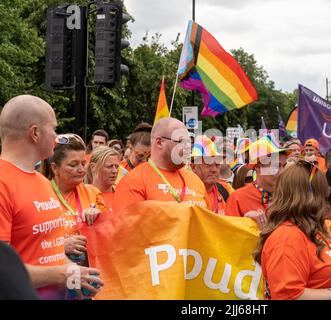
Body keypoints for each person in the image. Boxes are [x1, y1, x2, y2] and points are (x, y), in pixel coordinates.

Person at [0, 95, 103, 299]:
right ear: (35, 133)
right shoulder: (3, 182)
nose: (56, 138)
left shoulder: (42, 182)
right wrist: (62, 274)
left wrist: (75, 276)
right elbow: (4, 270)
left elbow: (50, 251)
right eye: (53, 129)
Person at [254, 159, 331, 300]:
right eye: (323, 190)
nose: (326, 196)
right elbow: (287, 295)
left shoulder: (311, 227)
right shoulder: (287, 237)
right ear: (310, 196)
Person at [41, 133, 109, 267]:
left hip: (89, 274)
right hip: (53, 275)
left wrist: (100, 220)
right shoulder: (39, 194)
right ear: (55, 168)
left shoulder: (92, 193)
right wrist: (62, 246)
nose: (81, 170)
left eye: (83, 163)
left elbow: (112, 234)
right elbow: (28, 243)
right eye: (73, 165)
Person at [113, 118, 208, 211]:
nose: (187, 147)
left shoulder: (196, 180)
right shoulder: (133, 181)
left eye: (189, 142)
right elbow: (126, 225)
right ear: (159, 142)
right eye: (181, 141)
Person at [225, 136, 288, 229]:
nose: (282, 171)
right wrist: (245, 223)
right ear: (258, 167)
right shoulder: (238, 198)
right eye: (277, 166)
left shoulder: (291, 196)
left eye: (284, 165)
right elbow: (228, 235)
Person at [191, 136, 234, 215]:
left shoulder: (226, 189)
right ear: (194, 167)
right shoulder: (185, 191)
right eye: (209, 164)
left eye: (217, 165)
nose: (214, 170)